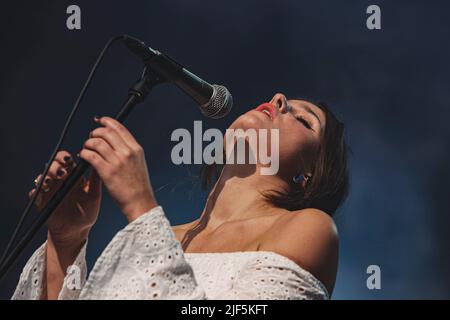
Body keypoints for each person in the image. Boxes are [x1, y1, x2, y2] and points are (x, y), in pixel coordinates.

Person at [13, 93, 348, 300]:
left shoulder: (309, 228)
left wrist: (140, 206)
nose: (278, 99)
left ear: (310, 177)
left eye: (304, 120)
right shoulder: (164, 239)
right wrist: (67, 240)